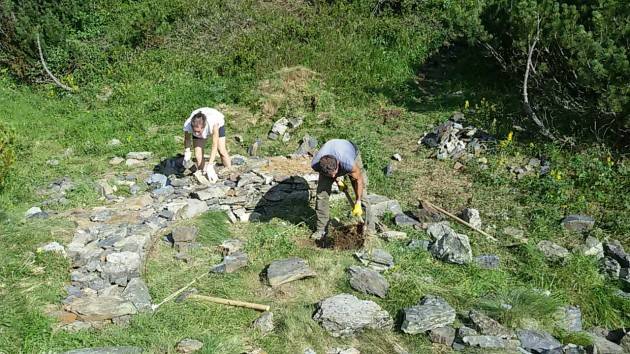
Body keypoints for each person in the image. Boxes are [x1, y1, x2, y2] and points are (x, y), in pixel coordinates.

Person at [310, 139, 374, 240]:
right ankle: (321, 229)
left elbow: (358, 180)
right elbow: (331, 173)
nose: (334, 175)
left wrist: (358, 201)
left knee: (363, 196)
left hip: (349, 150)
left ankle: (370, 230)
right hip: (330, 154)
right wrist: (337, 180)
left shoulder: (348, 163)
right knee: (322, 195)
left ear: (338, 164)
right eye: (331, 175)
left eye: (335, 173)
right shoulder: (316, 164)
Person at [182, 107, 231, 180]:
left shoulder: (213, 123)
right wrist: (187, 153)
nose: (196, 133)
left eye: (198, 131)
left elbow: (214, 145)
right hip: (200, 124)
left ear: (204, 126)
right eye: (194, 131)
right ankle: (202, 176)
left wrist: (210, 165)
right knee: (198, 155)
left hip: (217, 124)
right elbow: (187, 139)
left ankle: (230, 172)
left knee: (221, 150)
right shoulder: (188, 125)